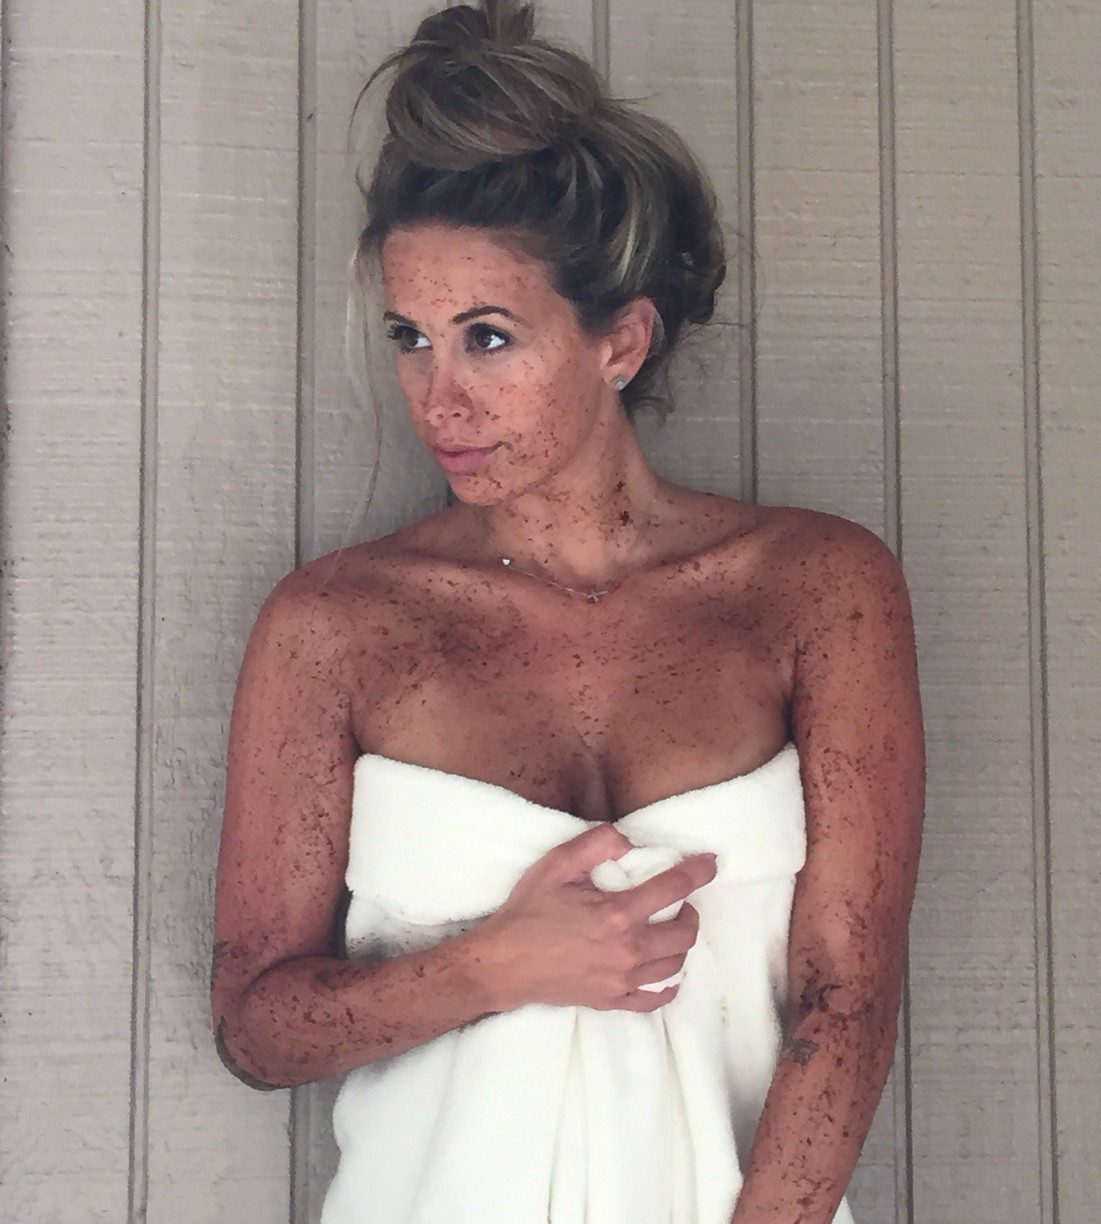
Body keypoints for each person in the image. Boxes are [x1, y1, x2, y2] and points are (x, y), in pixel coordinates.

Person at [210, 2, 925, 1221]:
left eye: (488, 338)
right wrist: (494, 966)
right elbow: (255, 1028)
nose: (439, 398)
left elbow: (846, 995)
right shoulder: (336, 626)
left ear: (621, 342)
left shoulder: (816, 588)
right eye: (411, 337)